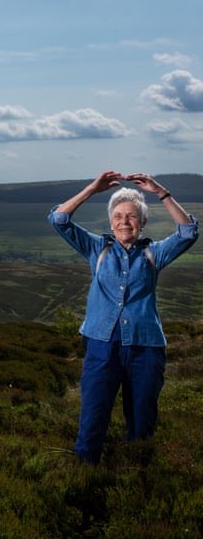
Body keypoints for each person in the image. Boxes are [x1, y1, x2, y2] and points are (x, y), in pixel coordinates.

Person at [49, 171, 197, 464]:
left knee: (142, 421)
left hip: (145, 347)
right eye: (118, 216)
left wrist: (160, 192)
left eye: (131, 216)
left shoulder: (155, 253)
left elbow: (188, 232)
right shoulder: (97, 248)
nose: (124, 221)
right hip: (101, 345)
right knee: (93, 417)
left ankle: (138, 481)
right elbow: (59, 219)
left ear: (142, 223)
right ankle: (84, 477)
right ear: (110, 221)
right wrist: (92, 188)